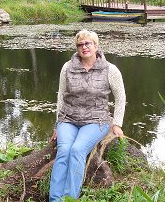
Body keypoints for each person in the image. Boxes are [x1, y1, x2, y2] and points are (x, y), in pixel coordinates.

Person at [49, 29, 126, 201]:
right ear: (77, 48)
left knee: (77, 150)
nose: (84, 47)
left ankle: (69, 198)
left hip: (96, 121)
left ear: (96, 46)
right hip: (68, 119)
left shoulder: (110, 70)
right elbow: (61, 95)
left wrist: (117, 123)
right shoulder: (67, 67)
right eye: (80, 44)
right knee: (64, 150)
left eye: (87, 43)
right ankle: (54, 199)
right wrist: (57, 124)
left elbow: (121, 97)